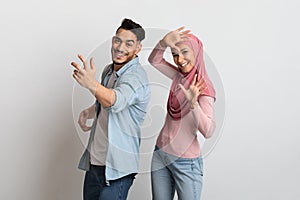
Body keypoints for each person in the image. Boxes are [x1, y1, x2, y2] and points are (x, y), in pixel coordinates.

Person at [71, 18, 150, 200]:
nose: (120, 47)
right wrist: (89, 112)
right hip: (95, 164)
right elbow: (104, 100)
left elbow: (116, 100)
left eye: (129, 44)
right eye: (117, 40)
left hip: (117, 171)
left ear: (138, 48)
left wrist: (91, 84)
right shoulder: (109, 71)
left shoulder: (136, 77)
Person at [148, 27, 216, 200]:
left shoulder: (205, 88)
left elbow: (208, 131)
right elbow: (154, 60)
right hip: (161, 154)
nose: (179, 59)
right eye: (175, 54)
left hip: (185, 163)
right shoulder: (179, 76)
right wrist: (163, 43)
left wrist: (193, 104)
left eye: (185, 52)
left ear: (197, 52)